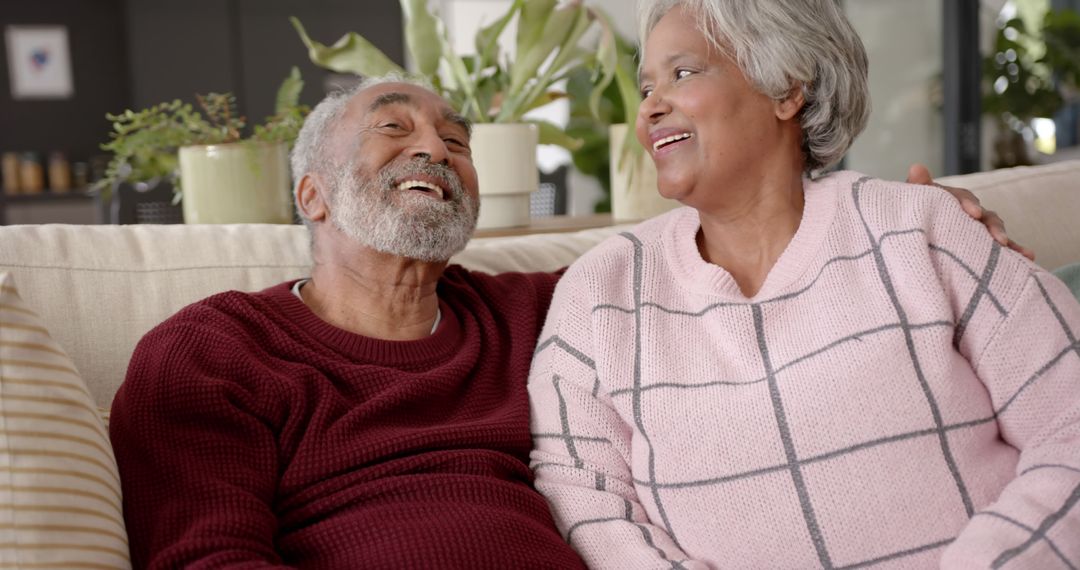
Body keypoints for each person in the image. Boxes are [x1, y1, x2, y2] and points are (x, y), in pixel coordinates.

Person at [110, 73, 1016, 566]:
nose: (436, 146)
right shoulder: (211, 352)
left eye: (457, 140)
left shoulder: (547, 310)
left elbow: (735, 260)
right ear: (310, 193)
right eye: (394, 129)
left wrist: (910, 229)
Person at [527, 1, 1080, 569]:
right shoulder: (600, 290)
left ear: (788, 89)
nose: (650, 109)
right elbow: (584, 493)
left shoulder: (922, 229)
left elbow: (1070, 424)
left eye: (683, 73)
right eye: (646, 88)